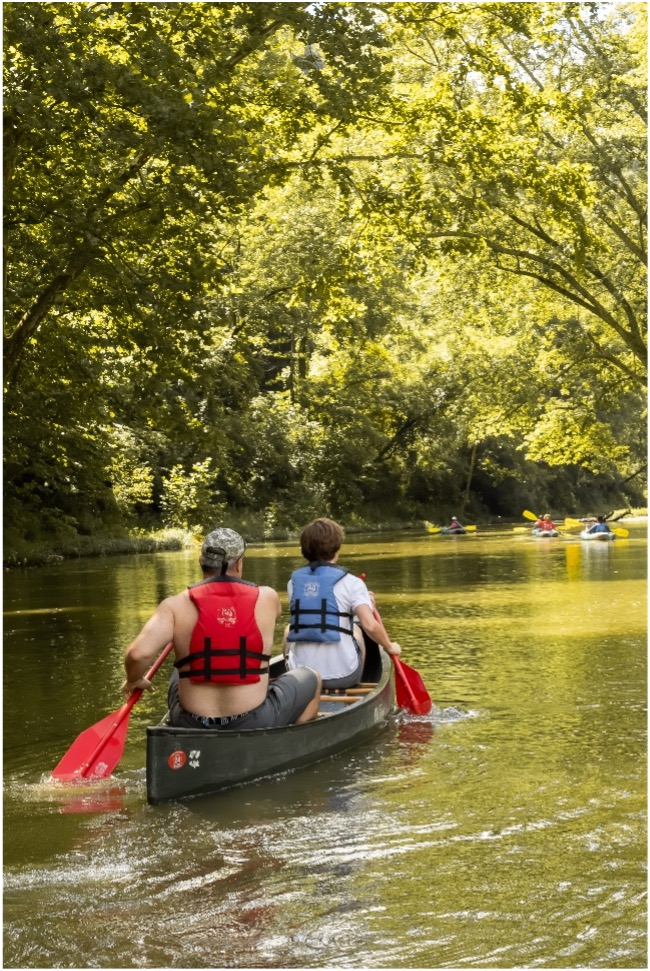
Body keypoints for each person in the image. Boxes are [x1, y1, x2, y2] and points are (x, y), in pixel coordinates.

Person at [122, 527, 321, 729]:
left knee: (179, 670)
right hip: (253, 720)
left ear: (202, 562)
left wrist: (134, 680)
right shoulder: (267, 598)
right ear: (239, 564)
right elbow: (275, 613)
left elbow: (138, 655)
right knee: (312, 677)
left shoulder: (174, 605)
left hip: (190, 721)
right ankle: (286, 740)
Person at [283, 517, 401, 690]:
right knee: (357, 628)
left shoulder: (292, 583)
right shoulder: (353, 583)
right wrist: (390, 646)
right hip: (343, 677)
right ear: (336, 547)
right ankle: (356, 689)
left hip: (301, 679)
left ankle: (293, 678)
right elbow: (371, 625)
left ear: (305, 549)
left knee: (288, 629)